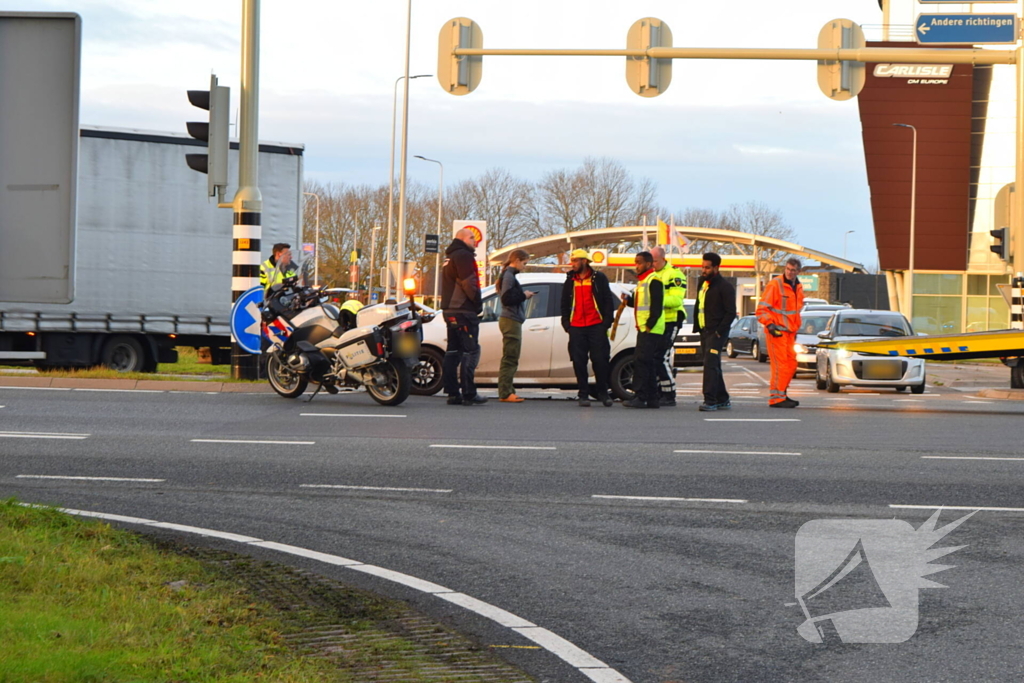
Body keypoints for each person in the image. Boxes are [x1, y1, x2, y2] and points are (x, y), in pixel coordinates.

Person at [560, 248, 615, 407]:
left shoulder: (599, 278)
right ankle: (583, 394)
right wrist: (567, 324)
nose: (573, 264)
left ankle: (603, 393)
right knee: (579, 361)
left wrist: (605, 323)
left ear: (584, 261)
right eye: (572, 261)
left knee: (600, 360)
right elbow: (564, 304)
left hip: (596, 325)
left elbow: (607, 301)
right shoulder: (570, 280)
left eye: (576, 260)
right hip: (576, 327)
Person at [441, 228, 486, 406]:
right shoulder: (464, 256)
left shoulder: (449, 257)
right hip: (463, 310)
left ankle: (452, 392)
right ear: (461, 239)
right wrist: (477, 304)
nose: (475, 241)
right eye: (471, 237)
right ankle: (469, 392)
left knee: (453, 351)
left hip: (450, 310)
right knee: (471, 350)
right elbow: (469, 282)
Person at [757, 257, 805, 408]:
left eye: (793, 270)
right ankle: (776, 398)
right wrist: (770, 325)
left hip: (789, 333)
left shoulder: (798, 287)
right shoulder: (775, 284)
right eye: (788, 269)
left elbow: (794, 312)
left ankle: (781, 394)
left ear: (798, 271)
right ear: (785, 268)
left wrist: (795, 328)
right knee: (780, 365)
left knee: (791, 364)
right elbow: (761, 309)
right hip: (776, 332)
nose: (790, 273)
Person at [692, 252, 737, 411]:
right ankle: (722, 398)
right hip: (705, 331)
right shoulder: (703, 284)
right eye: (703, 267)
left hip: (716, 333)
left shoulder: (725, 287)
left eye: (707, 267)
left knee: (709, 364)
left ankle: (710, 400)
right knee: (713, 364)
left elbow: (731, 312)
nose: (704, 270)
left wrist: (719, 331)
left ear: (716, 268)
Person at [620, 251, 665, 409]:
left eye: (638, 263)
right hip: (645, 328)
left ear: (648, 263)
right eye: (635, 262)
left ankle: (641, 396)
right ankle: (652, 398)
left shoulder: (654, 281)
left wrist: (649, 325)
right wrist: (628, 300)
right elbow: (640, 304)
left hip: (650, 329)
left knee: (642, 361)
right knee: (647, 362)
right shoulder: (643, 281)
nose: (636, 266)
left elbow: (657, 306)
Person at [496, 249, 535, 403]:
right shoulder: (509, 276)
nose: (525, 266)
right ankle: (505, 392)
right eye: (524, 263)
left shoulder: (507, 275)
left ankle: (508, 390)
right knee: (510, 357)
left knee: (511, 356)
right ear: (517, 260)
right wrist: (523, 295)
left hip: (511, 319)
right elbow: (506, 298)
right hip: (511, 320)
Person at [650, 246, 687, 406]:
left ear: (663, 259)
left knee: (661, 358)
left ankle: (669, 393)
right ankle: (659, 391)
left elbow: (676, 300)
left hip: (670, 320)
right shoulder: (652, 274)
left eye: (655, 261)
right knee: (654, 358)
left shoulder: (675, 274)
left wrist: (655, 301)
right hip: (657, 322)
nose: (653, 264)